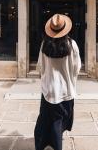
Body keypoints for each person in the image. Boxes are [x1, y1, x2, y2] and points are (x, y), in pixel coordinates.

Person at [34, 14, 81, 150]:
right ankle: (56, 145)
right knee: (58, 122)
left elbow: (40, 67)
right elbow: (76, 68)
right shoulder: (71, 44)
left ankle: (43, 144)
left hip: (48, 90)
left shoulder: (45, 44)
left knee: (45, 120)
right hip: (66, 90)